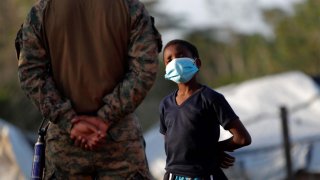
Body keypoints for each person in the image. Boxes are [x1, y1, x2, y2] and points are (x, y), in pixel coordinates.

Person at [16, 0, 162, 179]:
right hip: (121, 144)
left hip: (65, 146)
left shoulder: (41, 11)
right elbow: (144, 70)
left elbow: (30, 73)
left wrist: (70, 122)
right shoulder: (131, 8)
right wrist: (105, 118)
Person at [159, 39, 251, 180]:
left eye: (181, 55)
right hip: (172, 175)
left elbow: (242, 138)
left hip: (203, 175)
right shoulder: (165, 104)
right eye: (169, 59)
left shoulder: (211, 98)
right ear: (166, 68)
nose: (175, 62)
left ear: (197, 63)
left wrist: (216, 149)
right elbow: (171, 142)